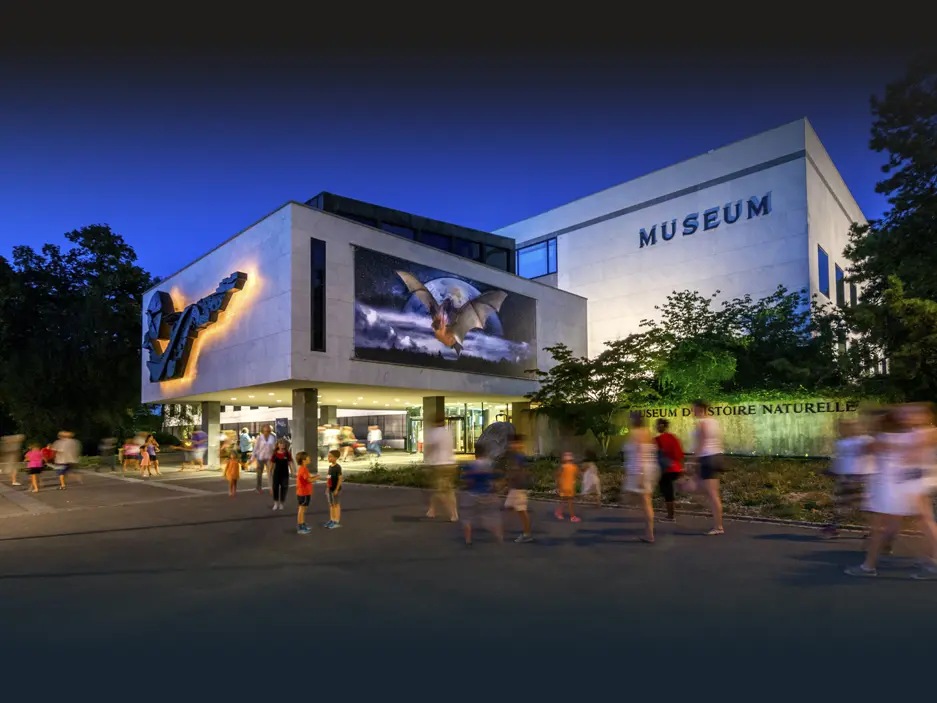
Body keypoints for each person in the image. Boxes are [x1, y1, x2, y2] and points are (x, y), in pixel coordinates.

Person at [846, 406, 926, 577]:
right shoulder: (909, 439)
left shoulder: (881, 440)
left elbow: (863, 450)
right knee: (892, 527)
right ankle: (926, 559)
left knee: (878, 529)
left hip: (884, 490)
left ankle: (868, 567)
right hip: (901, 488)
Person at [822, 418, 874, 538]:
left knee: (846, 504)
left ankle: (832, 527)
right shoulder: (864, 440)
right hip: (858, 478)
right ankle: (872, 531)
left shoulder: (846, 443)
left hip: (851, 478)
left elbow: (840, 462)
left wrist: (832, 471)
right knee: (862, 505)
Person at [623, 412, 658, 543]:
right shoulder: (647, 433)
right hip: (647, 469)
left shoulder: (635, 433)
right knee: (645, 502)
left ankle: (649, 533)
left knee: (639, 500)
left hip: (639, 470)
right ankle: (649, 533)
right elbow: (651, 451)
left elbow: (640, 455)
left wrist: (640, 475)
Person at [692, 400, 725, 535]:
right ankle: (717, 523)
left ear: (700, 409)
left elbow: (701, 443)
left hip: (707, 457)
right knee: (708, 492)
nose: (692, 411)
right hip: (716, 456)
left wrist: (692, 461)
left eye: (693, 409)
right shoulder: (714, 422)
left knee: (712, 494)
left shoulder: (703, 423)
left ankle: (718, 527)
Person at [460, 446, 502, 546]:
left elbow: (468, 480)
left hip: (473, 494)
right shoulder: (490, 464)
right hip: (487, 493)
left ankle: (468, 539)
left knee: (467, 517)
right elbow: (496, 477)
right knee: (490, 516)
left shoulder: (471, 465)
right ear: (485, 453)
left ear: (475, 454)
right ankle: (499, 535)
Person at [424, 418, 458, 522]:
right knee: (445, 489)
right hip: (450, 464)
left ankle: (453, 513)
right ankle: (432, 509)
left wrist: (427, 460)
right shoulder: (448, 432)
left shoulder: (435, 432)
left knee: (442, 491)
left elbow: (429, 447)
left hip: (440, 465)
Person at [504, 435, 534, 542]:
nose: (512, 445)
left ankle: (526, 534)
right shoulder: (514, 456)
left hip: (519, 487)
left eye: (515, 443)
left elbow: (522, 471)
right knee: (508, 507)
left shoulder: (519, 456)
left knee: (521, 510)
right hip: (515, 487)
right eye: (512, 443)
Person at [654, 418, 685, 522]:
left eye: (657, 425)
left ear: (661, 426)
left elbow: (655, 455)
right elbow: (680, 453)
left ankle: (670, 516)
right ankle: (672, 510)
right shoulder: (673, 437)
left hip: (666, 469)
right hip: (676, 468)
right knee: (668, 491)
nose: (656, 427)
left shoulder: (658, 439)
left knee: (667, 492)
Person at [270, 439, 295, 511]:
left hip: (285, 474)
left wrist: (293, 471)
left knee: (284, 488)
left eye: (283, 444)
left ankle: (281, 503)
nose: (282, 445)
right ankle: (276, 503)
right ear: (277, 445)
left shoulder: (287, 453)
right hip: (276, 474)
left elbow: (290, 463)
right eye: (280, 443)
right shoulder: (275, 454)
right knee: (275, 488)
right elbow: (271, 464)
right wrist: (270, 472)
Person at [554, 452, 580, 522]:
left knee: (564, 500)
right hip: (568, 487)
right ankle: (572, 517)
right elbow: (577, 475)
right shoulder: (574, 467)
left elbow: (557, 476)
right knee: (569, 501)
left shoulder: (563, 467)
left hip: (563, 487)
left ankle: (558, 513)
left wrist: (557, 486)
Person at [295, 451, 317, 534]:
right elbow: (309, 480)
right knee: (302, 509)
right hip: (303, 493)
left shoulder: (303, 468)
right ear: (304, 460)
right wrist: (316, 477)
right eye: (308, 457)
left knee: (303, 509)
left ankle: (302, 524)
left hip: (304, 492)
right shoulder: (303, 469)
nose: (309, 458)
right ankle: (300, 526)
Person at [252, 424, 277, 493]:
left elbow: (274, 447)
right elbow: (256, 448)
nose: (267, 432)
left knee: (270, 473)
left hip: (269, 458)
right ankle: (259, 488)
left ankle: (271, 488)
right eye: (266, 431)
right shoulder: (259, 438)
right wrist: (252, 458)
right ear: (263, 431)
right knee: (259, 473)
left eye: (268, 431)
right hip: (260, 458)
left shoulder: (273, 437)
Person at [324, 449, 343, 529]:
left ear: (335, 458)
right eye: (328, 457)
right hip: (330, 489)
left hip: (336, 489)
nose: (329, 458)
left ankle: (336, 520)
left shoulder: (338, 467)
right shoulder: (330, 467)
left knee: (336, 505)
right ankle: (332, 519)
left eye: (330, 457)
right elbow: (328, 477)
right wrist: (327, 487)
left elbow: (340, 479)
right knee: (331, 505)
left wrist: (336, 489)